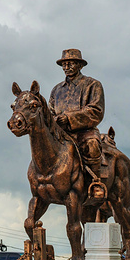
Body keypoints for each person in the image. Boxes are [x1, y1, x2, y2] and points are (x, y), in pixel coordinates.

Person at [48, 49, 106, 201]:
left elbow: (96, 111)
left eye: (70, 64)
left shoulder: (92, 85)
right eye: (64, 64)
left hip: (85, 131)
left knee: (92, 145)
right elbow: (50, 111)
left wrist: (68, 118)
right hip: (61, 134)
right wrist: (54, 120)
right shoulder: (56, 90)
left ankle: (95, 183)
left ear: (80, 65)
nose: (66, 67)